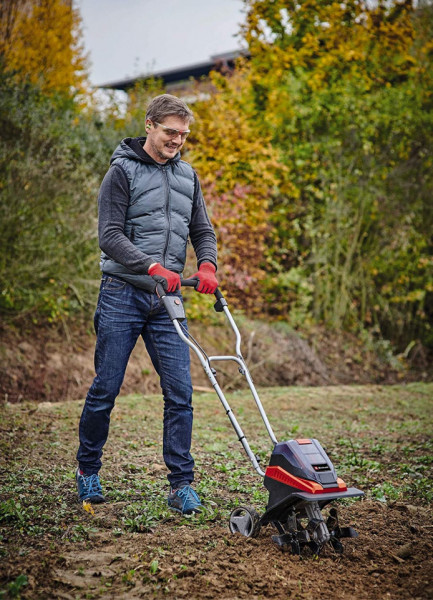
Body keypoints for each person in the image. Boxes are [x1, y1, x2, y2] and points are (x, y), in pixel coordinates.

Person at [76, 94, 218, 515]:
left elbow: (202, 229)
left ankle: (181, 485)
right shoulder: (121, 172)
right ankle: (87, 472)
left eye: (184, 135)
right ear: (150, 125)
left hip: (167, 299)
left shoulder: (188, 176)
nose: (177, 140)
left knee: (181, 393)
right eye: (171, 132)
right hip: (123, 293)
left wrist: (207, 265)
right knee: (106, 388)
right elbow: (110, 236)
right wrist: (152, 265)